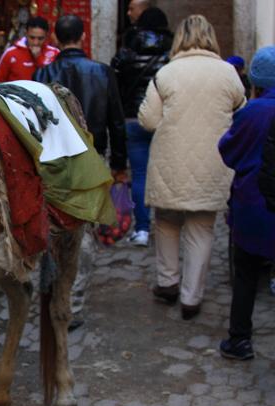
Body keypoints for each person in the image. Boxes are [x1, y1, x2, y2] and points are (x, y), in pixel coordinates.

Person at [138, 14, 246, 320]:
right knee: (202, 229)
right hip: (213, 161)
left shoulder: (166, 73)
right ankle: (191, 298)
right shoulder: (228, 73)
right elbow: (242, 114)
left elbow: (148, 120)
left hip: (170, 161)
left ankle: (168, 282)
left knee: (167, 222)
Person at [34, 14, 128, 330]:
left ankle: (51, 290)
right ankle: (72, 302)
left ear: (57, 40)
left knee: (54, 225)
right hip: (93, 157)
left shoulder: (43, 72)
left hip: (54, 161)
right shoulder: (102, 72)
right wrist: (118, 165)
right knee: (83, 228)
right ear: (83, 36)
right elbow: (117, 121)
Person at [217, 46, 275, 360]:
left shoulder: (251, 112)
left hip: (254, 205)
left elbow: (229, 152)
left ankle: (240, 341)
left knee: (247, 273)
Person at [112, 7, 173, 247]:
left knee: (139, 175)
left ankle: (142, 229)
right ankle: (166, 225)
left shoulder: (127, 51)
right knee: (166, 174)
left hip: (133, 118)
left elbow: (115, 82)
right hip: (164, 120)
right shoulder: (172, 54)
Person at [0, 17, 59, 83]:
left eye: (40, 38)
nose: (35, 42)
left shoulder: (55, 53)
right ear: (26, 34)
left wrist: (38, 59)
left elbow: (57, 82)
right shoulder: (10, 53)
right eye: (32, 38)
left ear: (46, 35)